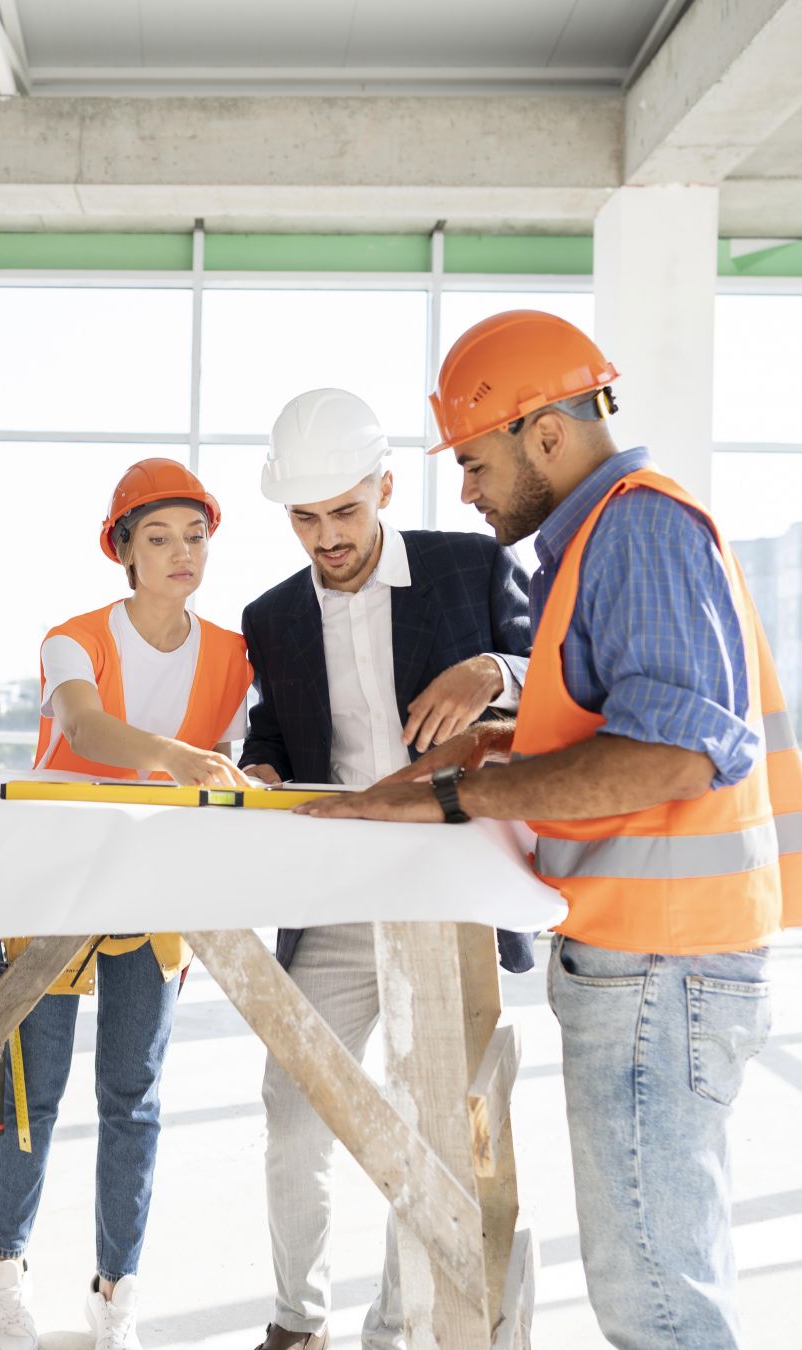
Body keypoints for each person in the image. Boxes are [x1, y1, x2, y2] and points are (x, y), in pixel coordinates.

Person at [299, 312, 802, 1349]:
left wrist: (453, 799)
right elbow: (604, 723)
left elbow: (674, 752)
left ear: (543, 430)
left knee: (655, 1301)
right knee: (664, 1276)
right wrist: (489, 747)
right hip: (651, 959)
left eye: (473, 459)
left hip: (660, 963)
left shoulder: (637, 526)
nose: (464, 489)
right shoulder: (596, 539)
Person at [234, 388, 533, 1350]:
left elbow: (554, 676)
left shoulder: (468, 564)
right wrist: (259, 771)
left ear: (386, 490)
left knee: (430, 1120)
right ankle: (297, 1319)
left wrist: (491, 670)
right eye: (306, 519)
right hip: (332, 897)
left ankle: (396, 1326)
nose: (326, 537)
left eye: (345, 512)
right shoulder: (269, 615)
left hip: (441, 890)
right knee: (294, 1106)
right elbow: (274, 736)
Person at [0, 457, 255, 1350]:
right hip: (54, 878)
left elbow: (238, 761)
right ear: (123, 550)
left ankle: (115, 1296)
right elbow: (85, 727)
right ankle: (6, 1276)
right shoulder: (73, 637)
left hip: (155, 885)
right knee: (34, 1093)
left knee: (133, 1096)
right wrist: (179, 757)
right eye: (158, 538)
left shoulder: (232, 654)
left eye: (196, 536)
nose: (181, 553)